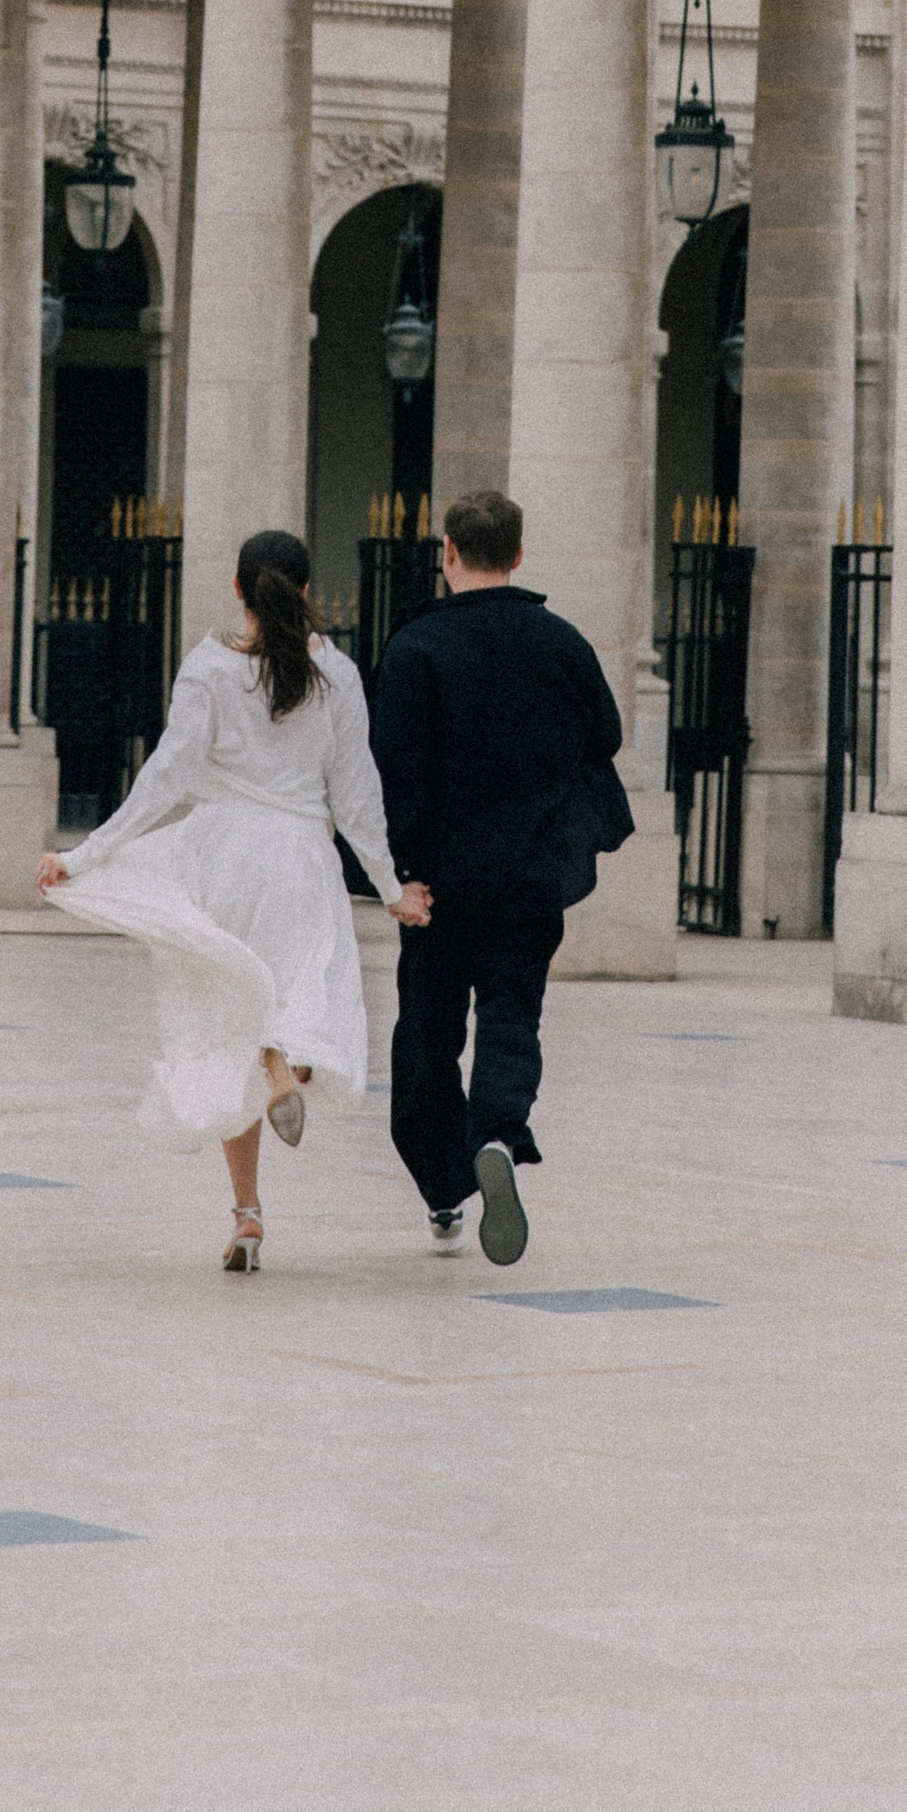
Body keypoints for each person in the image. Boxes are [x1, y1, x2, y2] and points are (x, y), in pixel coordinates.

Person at [36, 525, 428, 1273]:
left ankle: (248, 1214)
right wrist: (390, 887)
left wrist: (83, 855)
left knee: (231, 1021)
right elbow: (357, 795)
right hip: (299, 860)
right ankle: (282, 1066)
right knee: (305, 1007)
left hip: (221, 859)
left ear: (239, 589)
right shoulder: (336, 674)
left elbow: (165, 778)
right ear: (306, 590)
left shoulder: (211, 667)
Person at [370, 487, 633, 1266]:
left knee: (428, 1034)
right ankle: (496, 1132)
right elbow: (606, 734)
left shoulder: (417, 647)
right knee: (512, 1017)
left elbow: (392, 772)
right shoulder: (562, 642)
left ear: (447, 552)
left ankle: (444, 1189)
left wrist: (393, 874)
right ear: (519, 553)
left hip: (438, 884)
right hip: (530, 874)